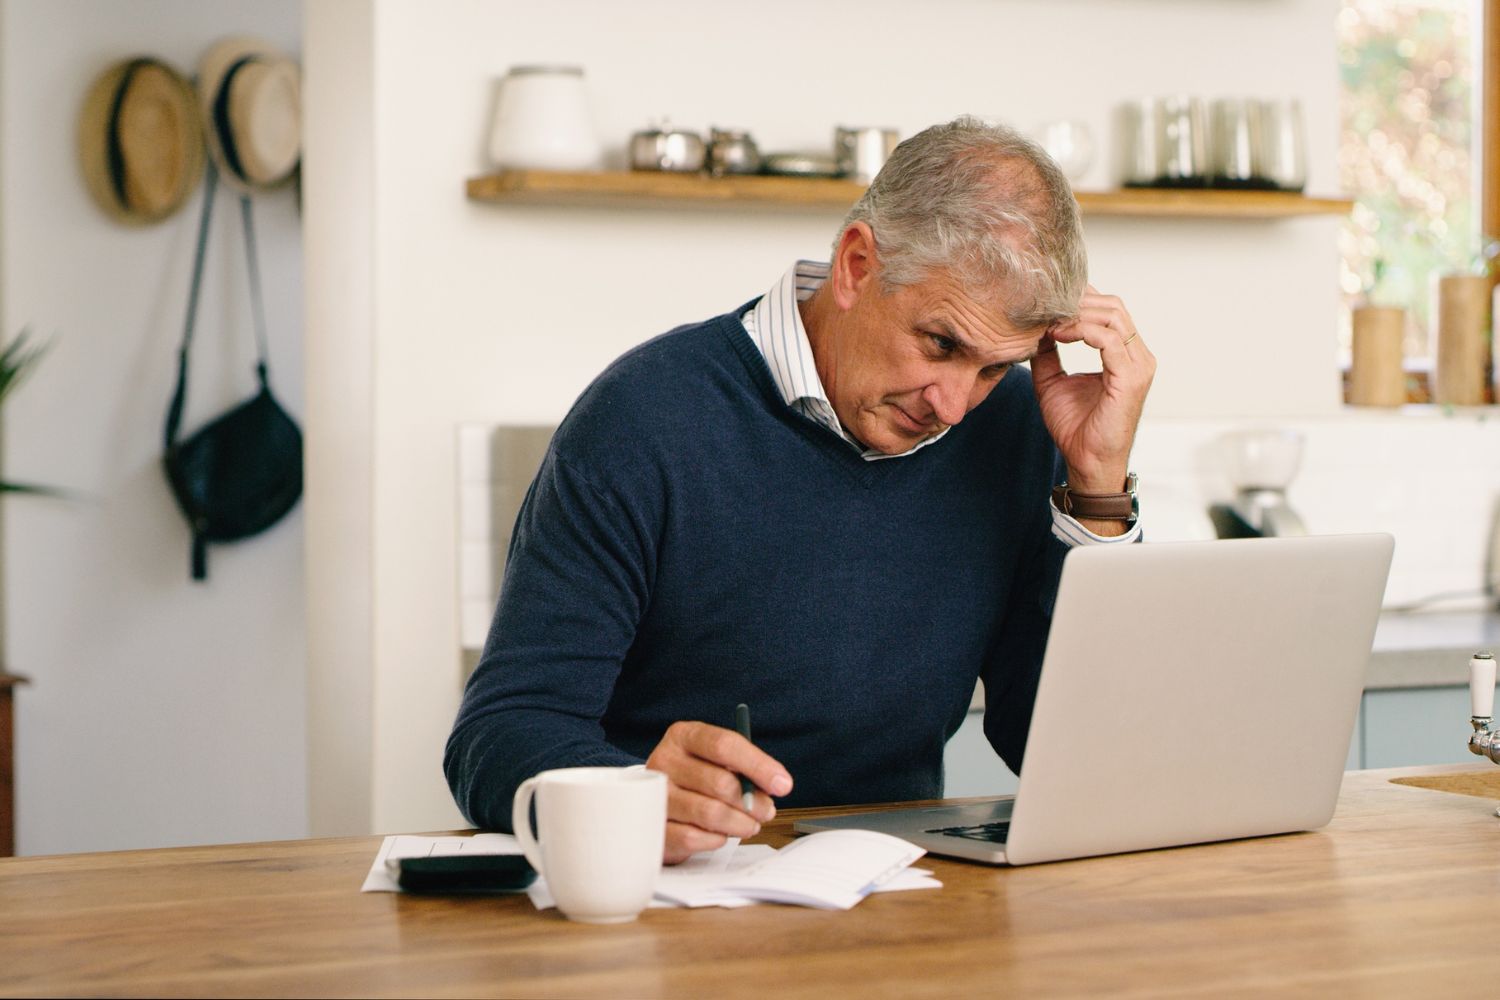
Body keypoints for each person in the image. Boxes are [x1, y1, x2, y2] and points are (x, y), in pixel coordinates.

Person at [445, 116, 1156, 863]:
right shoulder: (644, 417)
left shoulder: (1013, 426)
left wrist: (1099, 487)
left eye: (991, 368)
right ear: (855, 265)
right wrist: (629, 794)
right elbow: (499, 733)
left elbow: (1078, 756)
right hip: (671, 903)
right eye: (940, 344)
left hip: (905, 906)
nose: (952, 404)